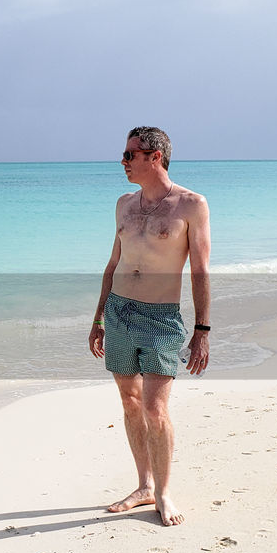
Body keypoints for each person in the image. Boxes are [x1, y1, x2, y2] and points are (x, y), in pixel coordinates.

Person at [87, 127, 211, 526]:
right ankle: (143, 485)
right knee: (130, 402)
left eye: (129, 155)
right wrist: (99, 319)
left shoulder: (191, 205)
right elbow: (112, 265)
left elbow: (200, 271)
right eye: (123, 155)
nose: (122, 162)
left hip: (160, 318)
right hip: (120, 312)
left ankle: (164, 492)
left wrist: (202, 331)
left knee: (156, 410)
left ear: (154, 156)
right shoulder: (124, 204)